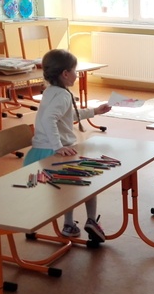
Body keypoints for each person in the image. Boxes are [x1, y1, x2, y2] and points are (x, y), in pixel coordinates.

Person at [24, 49, 112, 241]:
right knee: (88, 179)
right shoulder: (63, 95)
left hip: (41, 151)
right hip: (52, 155)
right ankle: (89, 220)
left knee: (71, 187)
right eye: (75, 70)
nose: (77, 74)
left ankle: (70, 225)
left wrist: (94, 111)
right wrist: (58, 146)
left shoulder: (51, 91)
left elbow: (66, 115)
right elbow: (49, 119)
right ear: (65, 73)